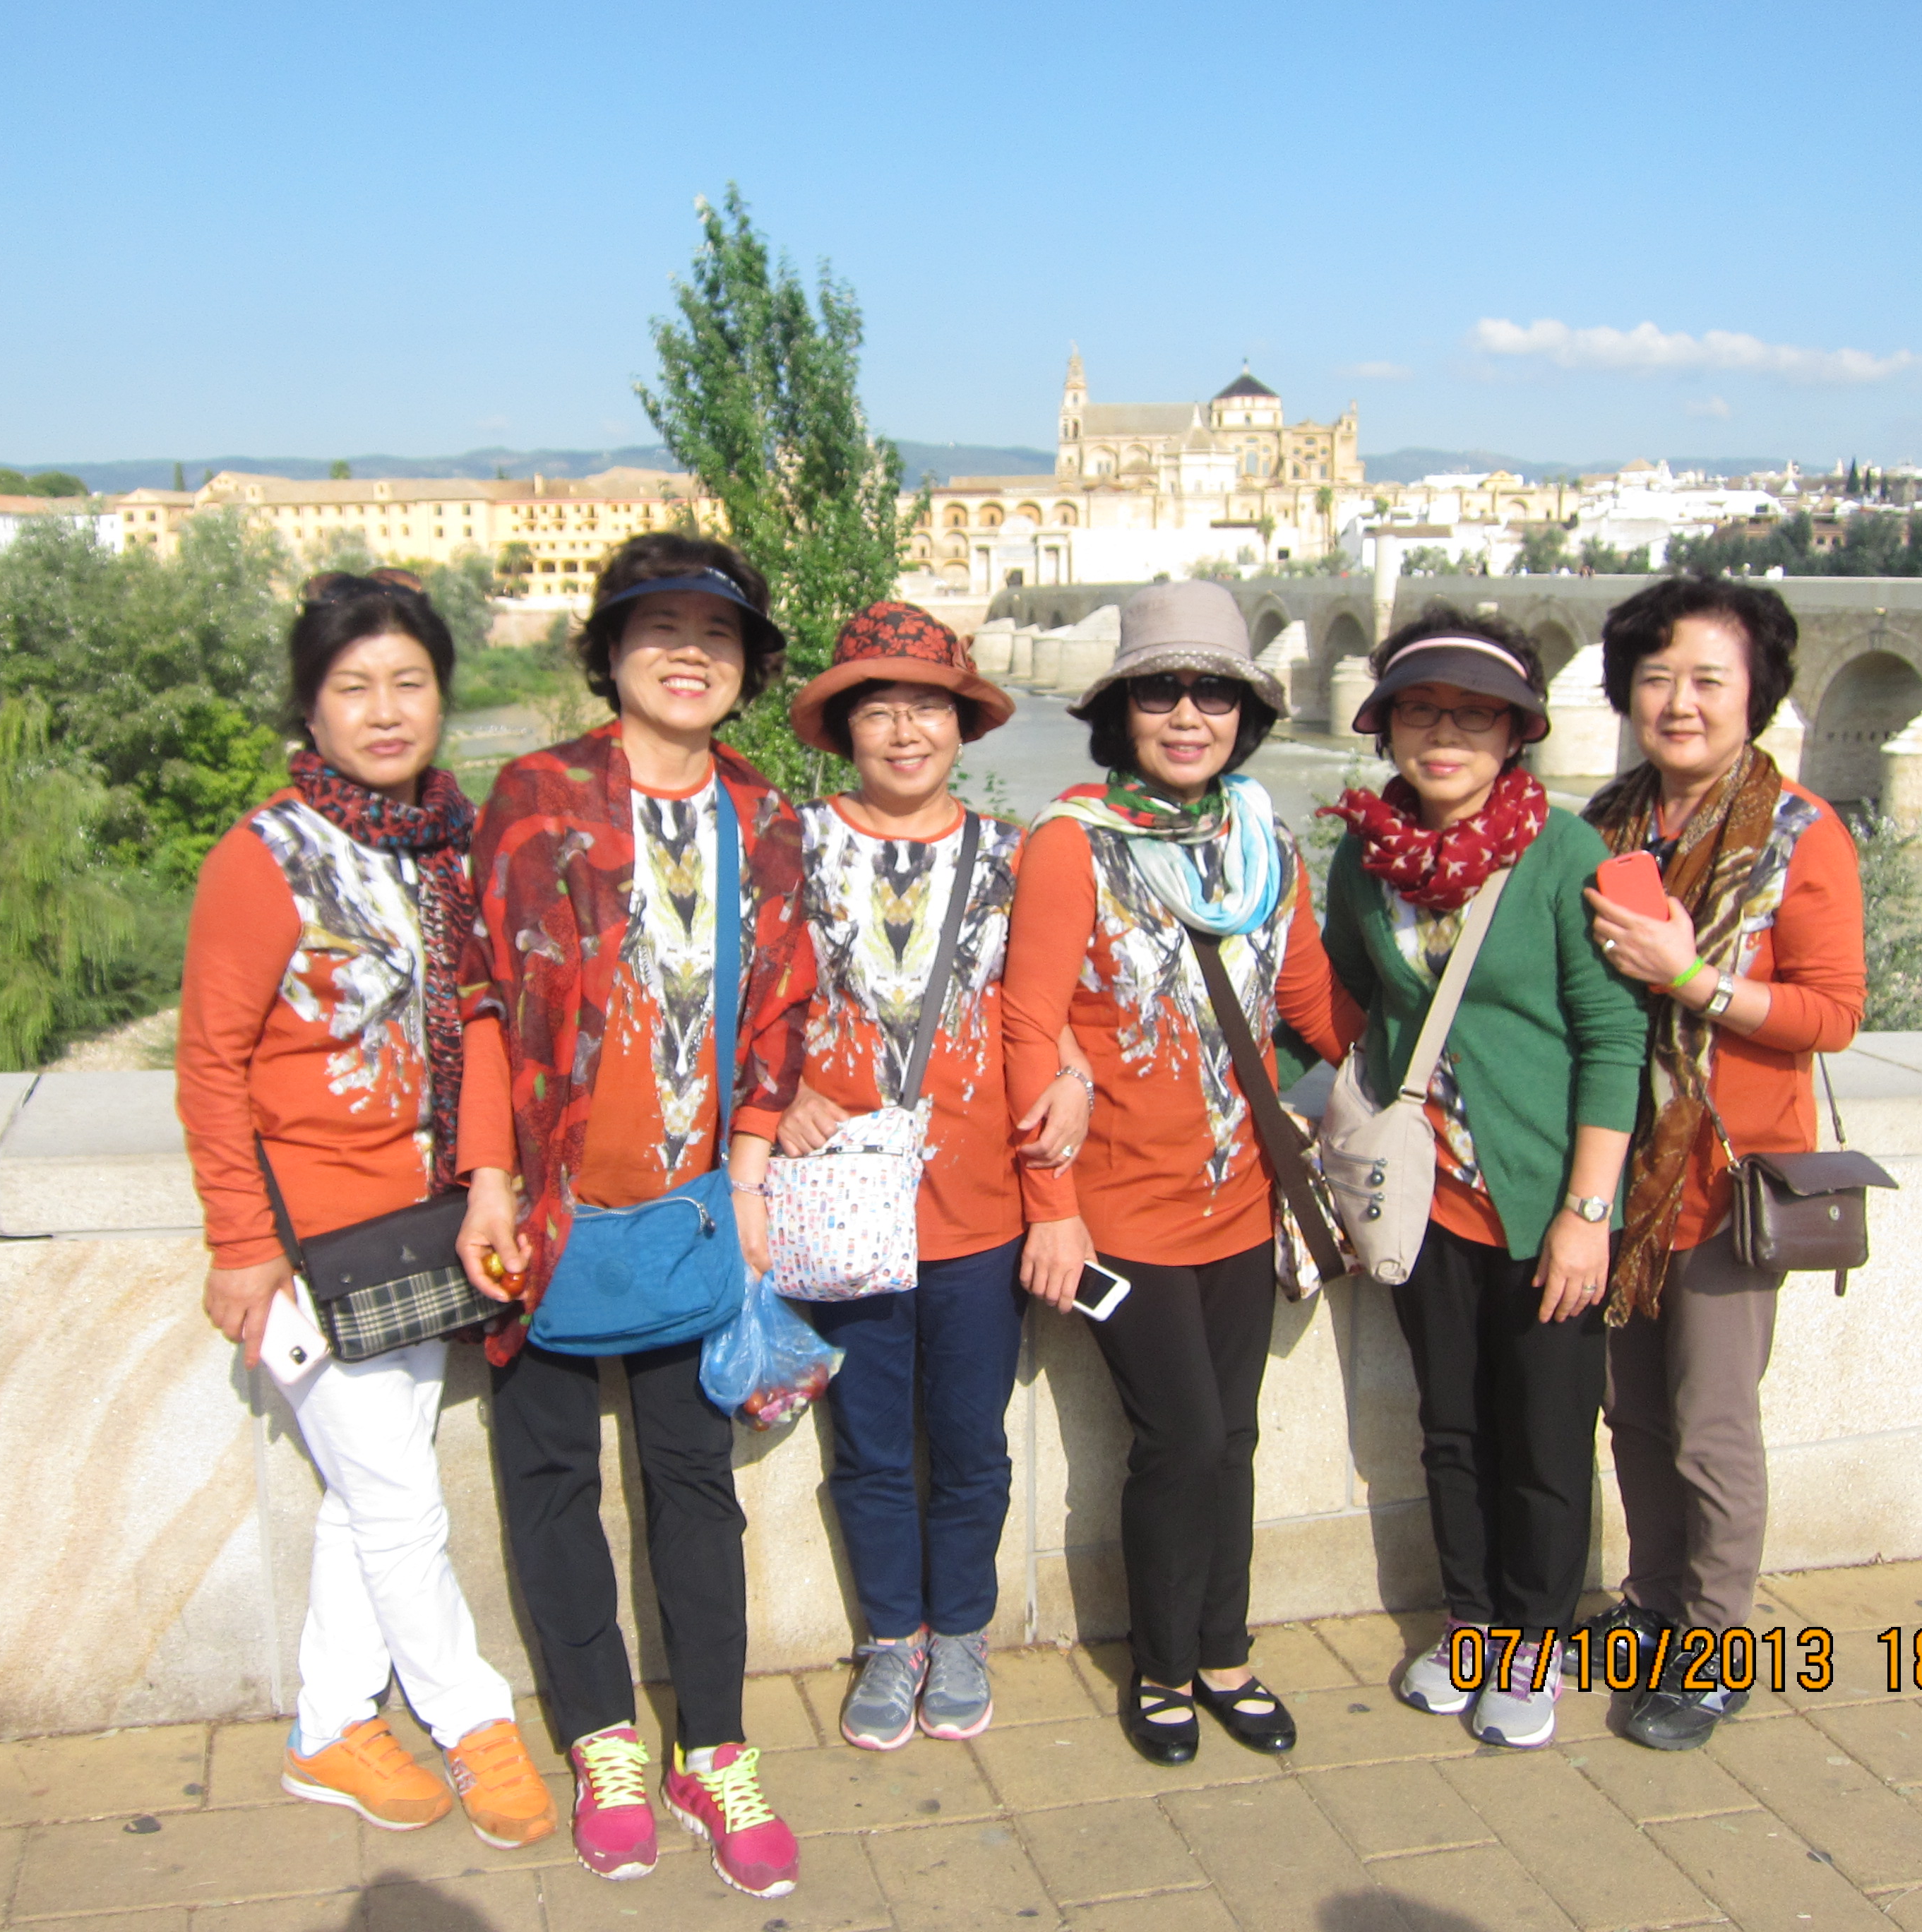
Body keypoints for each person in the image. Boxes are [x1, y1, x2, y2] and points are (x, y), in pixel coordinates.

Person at [453, 532, 810, 1900]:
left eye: (716, 635)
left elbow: (782, 1008)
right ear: (609, 653)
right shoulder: (535, 796)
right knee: (549, 1480)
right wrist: (490, 1178)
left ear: (747, 666)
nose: (686, 654)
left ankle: (712, 1749)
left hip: (690, 1212)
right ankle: (604, 1741)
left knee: (693, 1482)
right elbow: (484, 997)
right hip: (548, 1209)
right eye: (657, 628)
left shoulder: (763, 818)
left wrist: (754, 1177)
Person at [174, 571, 551, 1850]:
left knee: (367, 1492)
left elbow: (487, 1022)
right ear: (310, 707)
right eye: (354, 688)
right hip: (315, 1237)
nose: (385, 712)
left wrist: (489, 1177)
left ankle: (329, 1728)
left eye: (409, 683)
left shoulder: (453, 844)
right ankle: (471, 1719)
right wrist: (241, 1245)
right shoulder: (265, 858)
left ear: (442, 695)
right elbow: (212, 1064)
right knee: (397, 1499)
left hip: (433, 1221)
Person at [1001, 580, 1360, 1766]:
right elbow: (1028, 1023)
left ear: (1246, 716)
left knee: (1233, 1438)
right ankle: (1160, 1667)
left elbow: (1309, 1004)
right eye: (1162, 692)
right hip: (1120, 1212)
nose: (1189, 715)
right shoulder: (1072, 844)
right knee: (1184, 1440)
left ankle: (1225, 1653)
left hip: (1243, 1197)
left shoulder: (1264, 843)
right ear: (1122, 713)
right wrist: (1051, 1206)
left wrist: (1447, 1047)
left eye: (1214, 693)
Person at [1318, 603, 1645, 1751]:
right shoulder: (1365, 857)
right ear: (1387, 727)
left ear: (1516, 734)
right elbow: (1342, 997)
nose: (1445, 734)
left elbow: (1613, 1040)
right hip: (1424, 1207)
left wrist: (1587, 1214)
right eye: (1421, 711)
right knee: (1450, 1427)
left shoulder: (1565, 853)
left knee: (1546, 1439)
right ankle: (1473, 1628)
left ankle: (1534, 1645)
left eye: (1475, 715)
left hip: (1546, 1202)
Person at [778, 602, 1092, 1751]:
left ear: (963, 726)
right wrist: (778, 1095)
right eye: (880, 710)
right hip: (842, 1201)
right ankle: (890, 1636)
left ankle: (960, 1629)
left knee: (970, 1441)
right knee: (867, 1444)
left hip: (979, 1202)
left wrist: (1076, 1072)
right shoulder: (790, 846)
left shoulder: (1016, 856)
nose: (906, 731)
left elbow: (1045, 1001)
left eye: (928, 708)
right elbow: (745, 1001)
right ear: (845, 729)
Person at [1578, 573, 1865, 1752]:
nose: (1680, 703)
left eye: (1708, 679)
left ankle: (1716, 1642)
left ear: (1757, 693)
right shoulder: (1607, 823)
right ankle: (1652, 1604)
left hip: (1725, 1186)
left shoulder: (1800, 833)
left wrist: (1690, 978)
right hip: (1621, 1181)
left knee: (1709, 1425)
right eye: (1657, 678)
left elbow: (1832, 1013)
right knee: (1633, 1415)